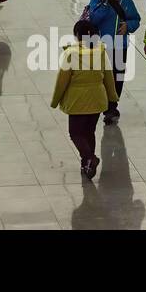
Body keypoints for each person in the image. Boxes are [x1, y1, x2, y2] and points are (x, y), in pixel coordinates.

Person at [51, 18, 118, 178]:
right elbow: (108, 76)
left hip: (77, 101)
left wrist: (55, 100)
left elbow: (62, 80)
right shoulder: (101, 52)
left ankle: (89, 158)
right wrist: (112, 97)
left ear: (77, 36)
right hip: (97, 99)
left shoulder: (70, 54)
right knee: (89, 132)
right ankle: (86, 165)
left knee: (75, 133)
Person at [85, 0, 140, 123]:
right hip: (102, 45)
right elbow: (94, 19)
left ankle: (112, 106)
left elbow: (136, 19)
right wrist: (103, 3)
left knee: (118, 77)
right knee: (101, 76)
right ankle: (101, 103)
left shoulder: (127, 1)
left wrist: (128, 26)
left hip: (120, 46)